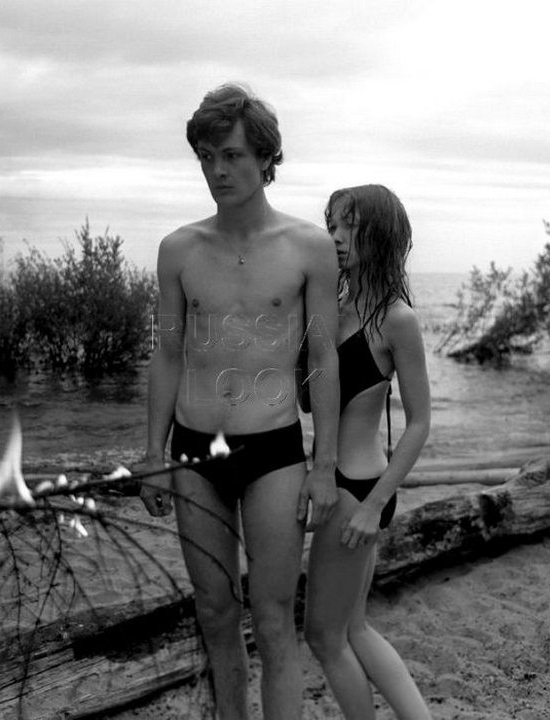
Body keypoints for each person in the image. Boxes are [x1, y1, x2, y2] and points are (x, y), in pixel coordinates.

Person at [139, 83, 340, 720]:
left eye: (231, 155)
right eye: (206, 157)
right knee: (215, 611)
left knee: (274, 617)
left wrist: (325, 465)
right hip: (194, 449)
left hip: (274, 450)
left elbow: (323, 357)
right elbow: (168, 353)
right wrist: (151, 454)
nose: (217, 171)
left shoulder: (309, 248)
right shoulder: (179, 249)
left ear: (266, 157)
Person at [304, 184, 433, 720]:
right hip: (343, 487)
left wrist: (374, 506)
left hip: (359, 494)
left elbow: (419, 422)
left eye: (349, 226)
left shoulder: (396, 318)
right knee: (353, 628)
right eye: (332, 224)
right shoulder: (332, 309)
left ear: (379, 234)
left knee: (324, 636)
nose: (335, 236)